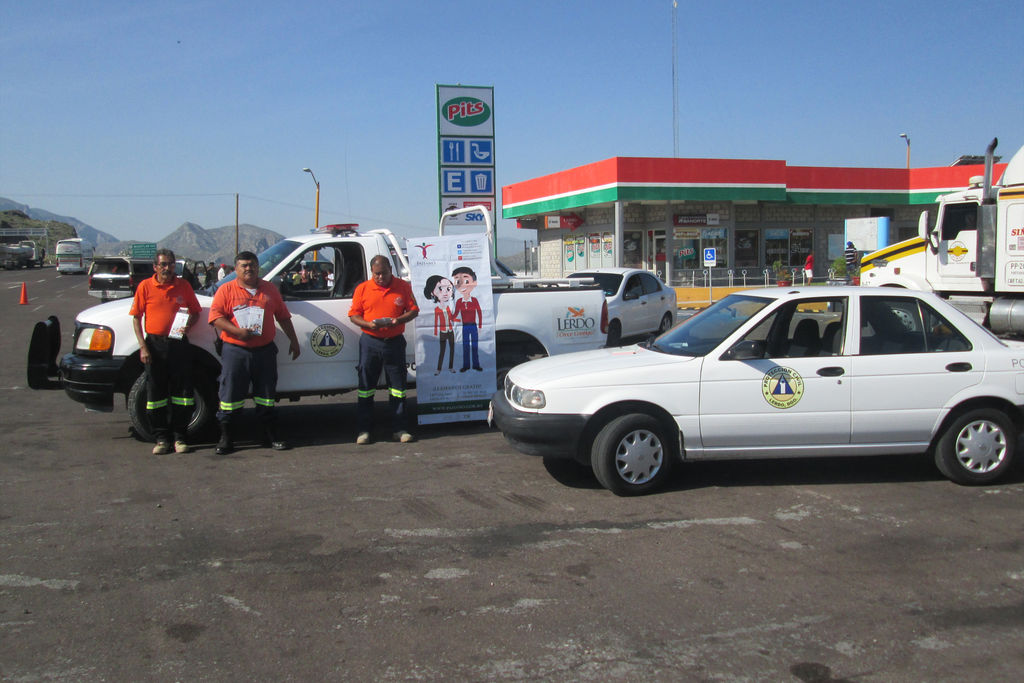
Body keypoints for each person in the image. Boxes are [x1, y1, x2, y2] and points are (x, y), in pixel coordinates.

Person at [208, 251, 301, 454]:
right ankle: (226, 439)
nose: (248, 268)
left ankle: (270, 436)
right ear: (236, 269)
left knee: (266, 395)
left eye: (252, 265)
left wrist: (294, 341)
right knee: (230, 395)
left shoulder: (269, 289)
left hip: (264, 351)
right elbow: (215, 318)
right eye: (244, 265)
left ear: (258, 267)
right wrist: (237, 332)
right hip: (235, 351)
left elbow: (283, 316)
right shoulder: (226, 290)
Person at [130, 248, 202, 454]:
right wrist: (143, 347)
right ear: (155, 267)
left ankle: (180, 438)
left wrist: (188, 325)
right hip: (154, 345)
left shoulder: (184, 286)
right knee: (155, 394)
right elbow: (136, 318)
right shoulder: (145, 286)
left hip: (179, 344)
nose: (167, 268)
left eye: (170, 264)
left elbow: (196, 312)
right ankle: (161, 439)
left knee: (183, 394)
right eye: (163, 264)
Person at [348, 255, 419, 444]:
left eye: (384, 273)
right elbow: (354, 315)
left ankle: (399, 429)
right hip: (370, 342)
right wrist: (368, 324)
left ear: (391, 270)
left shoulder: (403, 287)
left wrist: (399, 320)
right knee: (365, 388)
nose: (380, 277)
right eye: (376, 274)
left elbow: (414, 310)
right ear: (372, 272)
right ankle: (364, 431)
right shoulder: (363, 288)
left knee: (398, 389)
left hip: (394, 343)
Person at [452, 266, 483, 372]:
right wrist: (450, 317)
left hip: (473, 325)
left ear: (474, 283)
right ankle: (466, 365)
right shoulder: (459, 302)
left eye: (466, 281)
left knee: (474, 346)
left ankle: (476, 365)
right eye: (458, 282)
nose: (463, 285)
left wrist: (480, 326)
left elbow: (479, 313)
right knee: (465, 346)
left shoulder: (474, 300)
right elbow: (455, 314)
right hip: (465, 326)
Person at [423, 274, 455, 375]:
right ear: (432, 292)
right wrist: (436, 333)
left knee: (452, 350)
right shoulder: (437, 309)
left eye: (448, 289)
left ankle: (451, 367)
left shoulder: (449, 307)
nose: (445, 292)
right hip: (442, 332)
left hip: (451, 331)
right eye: (440, 289)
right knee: (442, 351)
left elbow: (452, 318)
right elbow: (436, 322)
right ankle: (439, 369)